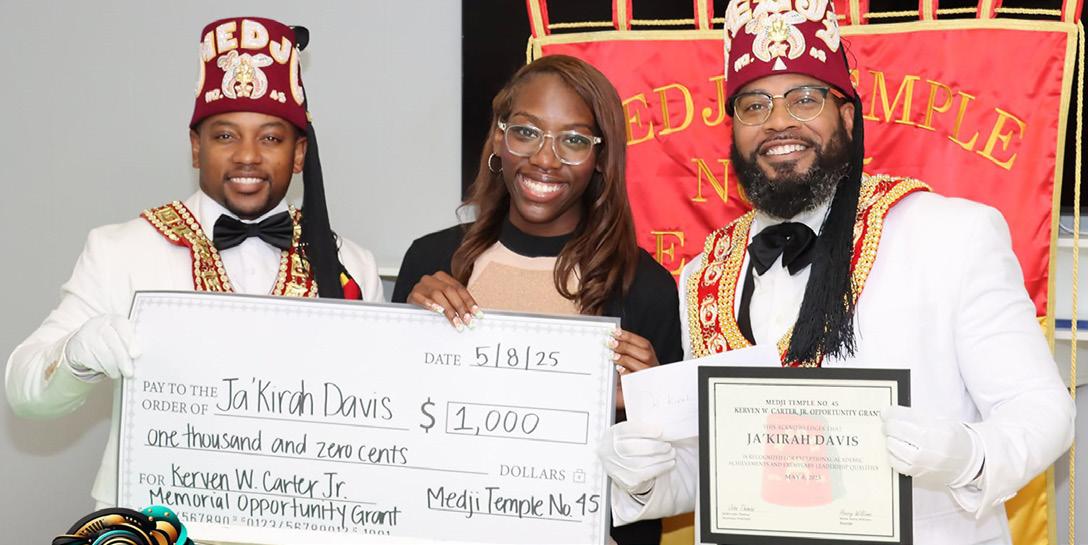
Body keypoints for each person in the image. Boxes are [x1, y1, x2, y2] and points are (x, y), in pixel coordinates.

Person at [595, 2, 1074, 544]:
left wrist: (969, 456)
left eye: (804, 99)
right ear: (733, 129)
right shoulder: (704, 273)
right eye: (754, 105)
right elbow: (717, 471)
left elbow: (1042, 408)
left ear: (846, 116)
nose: (778, 122)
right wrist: (646, 476)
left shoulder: (949, 235)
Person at [5, 16, 383, 508]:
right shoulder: (124, 249)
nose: (247, 156)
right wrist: (76, 355)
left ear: (299, 154)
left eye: (270, 138)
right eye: (225, 136)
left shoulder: (351, 265)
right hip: (154, 525)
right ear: (195, 147)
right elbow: (24, 392)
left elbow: (375, 417)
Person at [392, 54, 683, 544]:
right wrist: (402, 337)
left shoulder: (644, 286)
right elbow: (392, 430)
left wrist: (650, 407)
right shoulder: (431, 260)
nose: (545, 159)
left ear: (600, 160)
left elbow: (664, 485)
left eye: (574, 140)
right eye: (526, 132)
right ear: (498, 139)